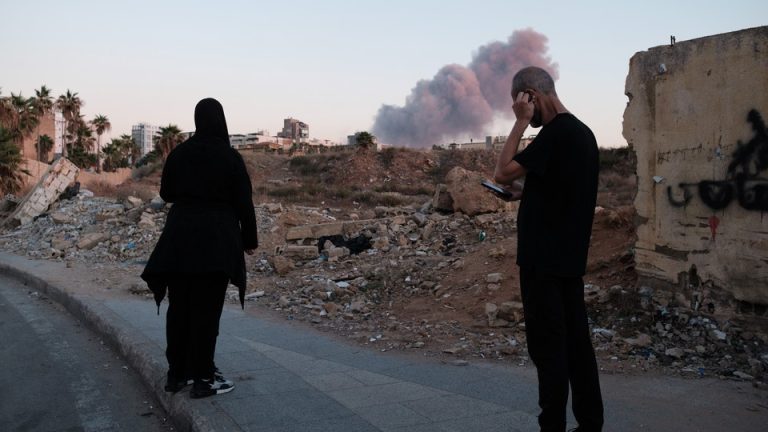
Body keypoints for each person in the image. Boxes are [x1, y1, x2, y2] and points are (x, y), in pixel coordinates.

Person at [493, 66, 604, 432]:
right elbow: (563, 190)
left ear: (531, 96)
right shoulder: (583, 134)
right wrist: (527, 194)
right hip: (569, 260)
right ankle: (590, 424)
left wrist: (520, 124)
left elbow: (502, 172)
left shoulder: (556, 133)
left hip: (543, 263)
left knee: (548, 350)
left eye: (520, 103)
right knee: (576, 347)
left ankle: (551, 426)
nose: (520, 110)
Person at [141, 98, 258, 399]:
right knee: (207, 312)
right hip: (216, 243)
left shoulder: (180, 153)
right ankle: (205, 378)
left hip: (179, 240)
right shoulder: (230, 158)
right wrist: (250, 242)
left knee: (179, 309)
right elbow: (245, 204)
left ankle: (177, 375)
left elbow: (166, 193)